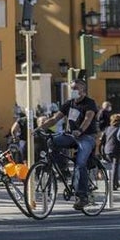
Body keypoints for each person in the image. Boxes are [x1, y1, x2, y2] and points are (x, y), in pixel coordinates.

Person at [41, 78, 99, 210]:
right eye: (71, 88)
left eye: (75, 88)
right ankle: (63, 169)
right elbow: (55, 119)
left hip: (86, 137)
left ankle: (82, 196)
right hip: (71, 136)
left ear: (83, 91)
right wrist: (40, 129)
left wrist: (80, 130)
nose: (73, 91)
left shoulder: (89, 103)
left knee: (80, 163)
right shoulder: (69, 103)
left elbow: (88, 118)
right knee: (52, 141)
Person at [102, 113, 120, 189]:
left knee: (113, 166)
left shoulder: (107, 128)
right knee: (115, 167)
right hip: (116, 149)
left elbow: (103, 140)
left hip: (107, 149)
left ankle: (116, 183)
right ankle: (113, 184)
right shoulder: (119, 129)